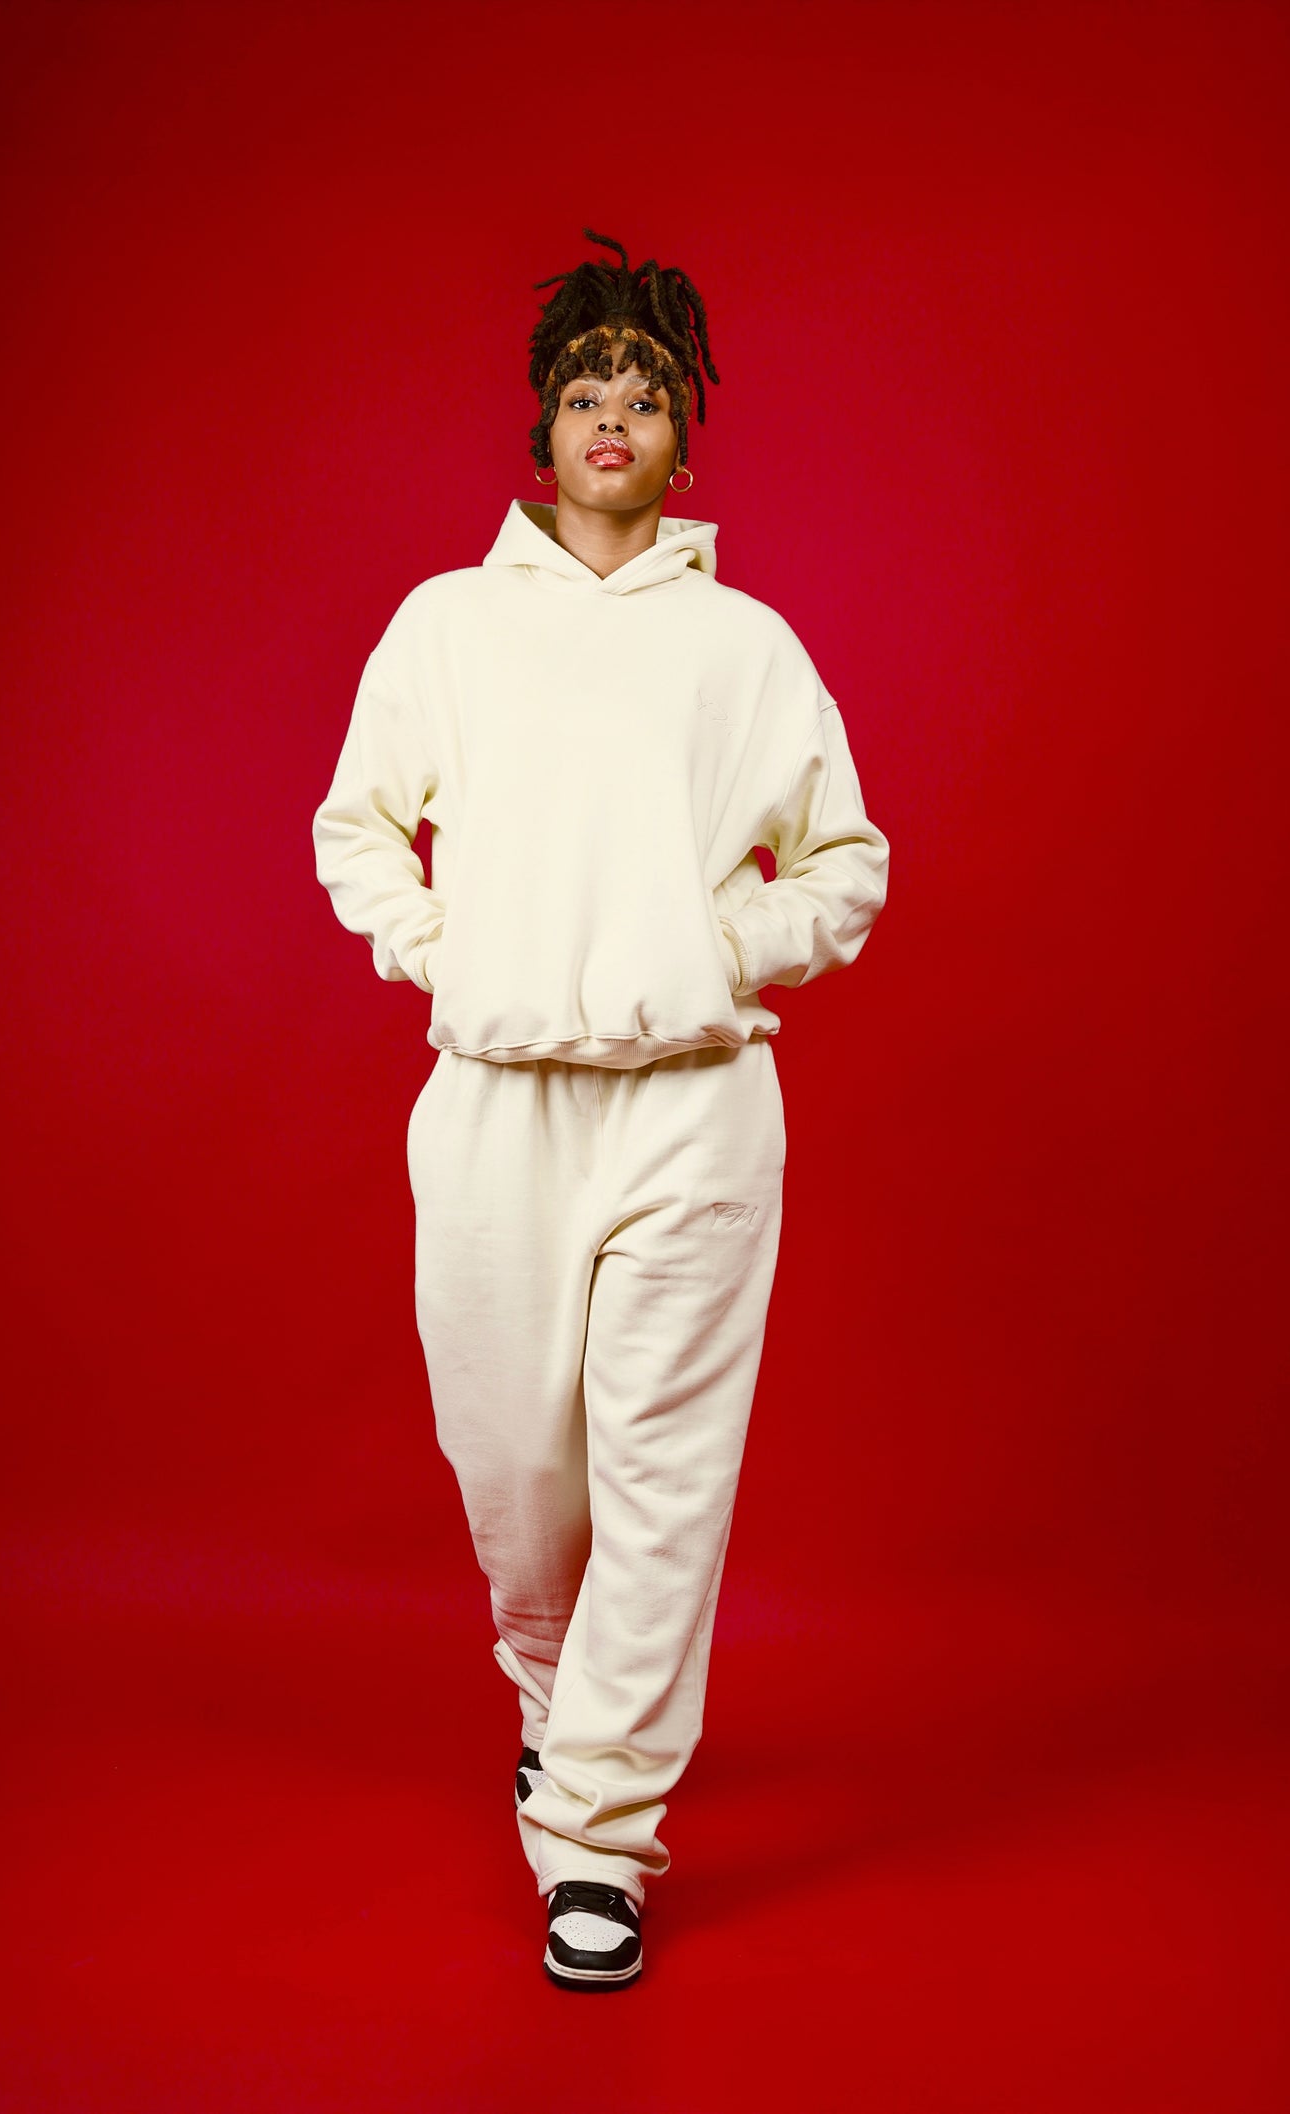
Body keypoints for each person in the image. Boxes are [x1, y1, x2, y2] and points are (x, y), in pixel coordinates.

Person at [312, 229, 891, 1990]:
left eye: (645, 390)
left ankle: (596, 1837)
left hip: (694, 1109)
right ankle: (554, 1697)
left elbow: (845, 863)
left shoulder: (743, 644)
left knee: (662, 1482)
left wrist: (720, 947)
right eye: (585, 390)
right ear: (545, 427)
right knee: (517, 1472)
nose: (614, 414)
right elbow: (356, 827)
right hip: (495, 1108)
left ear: (682, 437)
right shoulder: (449, 623)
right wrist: (450, 948)